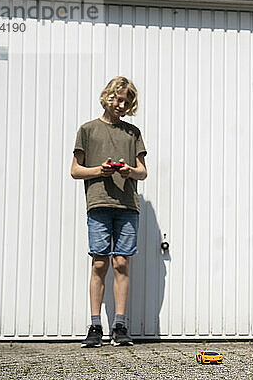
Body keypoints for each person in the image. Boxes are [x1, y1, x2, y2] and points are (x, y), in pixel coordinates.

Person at [71, 76, 147, 347]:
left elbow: (143, 172)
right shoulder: (88, 130)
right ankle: (95, 327)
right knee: (100, 263)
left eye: (126, 101)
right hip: (99, 204)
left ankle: (120, 326)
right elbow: (75, 170)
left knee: (122, 263)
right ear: (107, 97)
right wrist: (98, 171)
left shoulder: (133, 133)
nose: (120, 104)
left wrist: (129, 172)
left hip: (127, 206)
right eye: (117, 98)